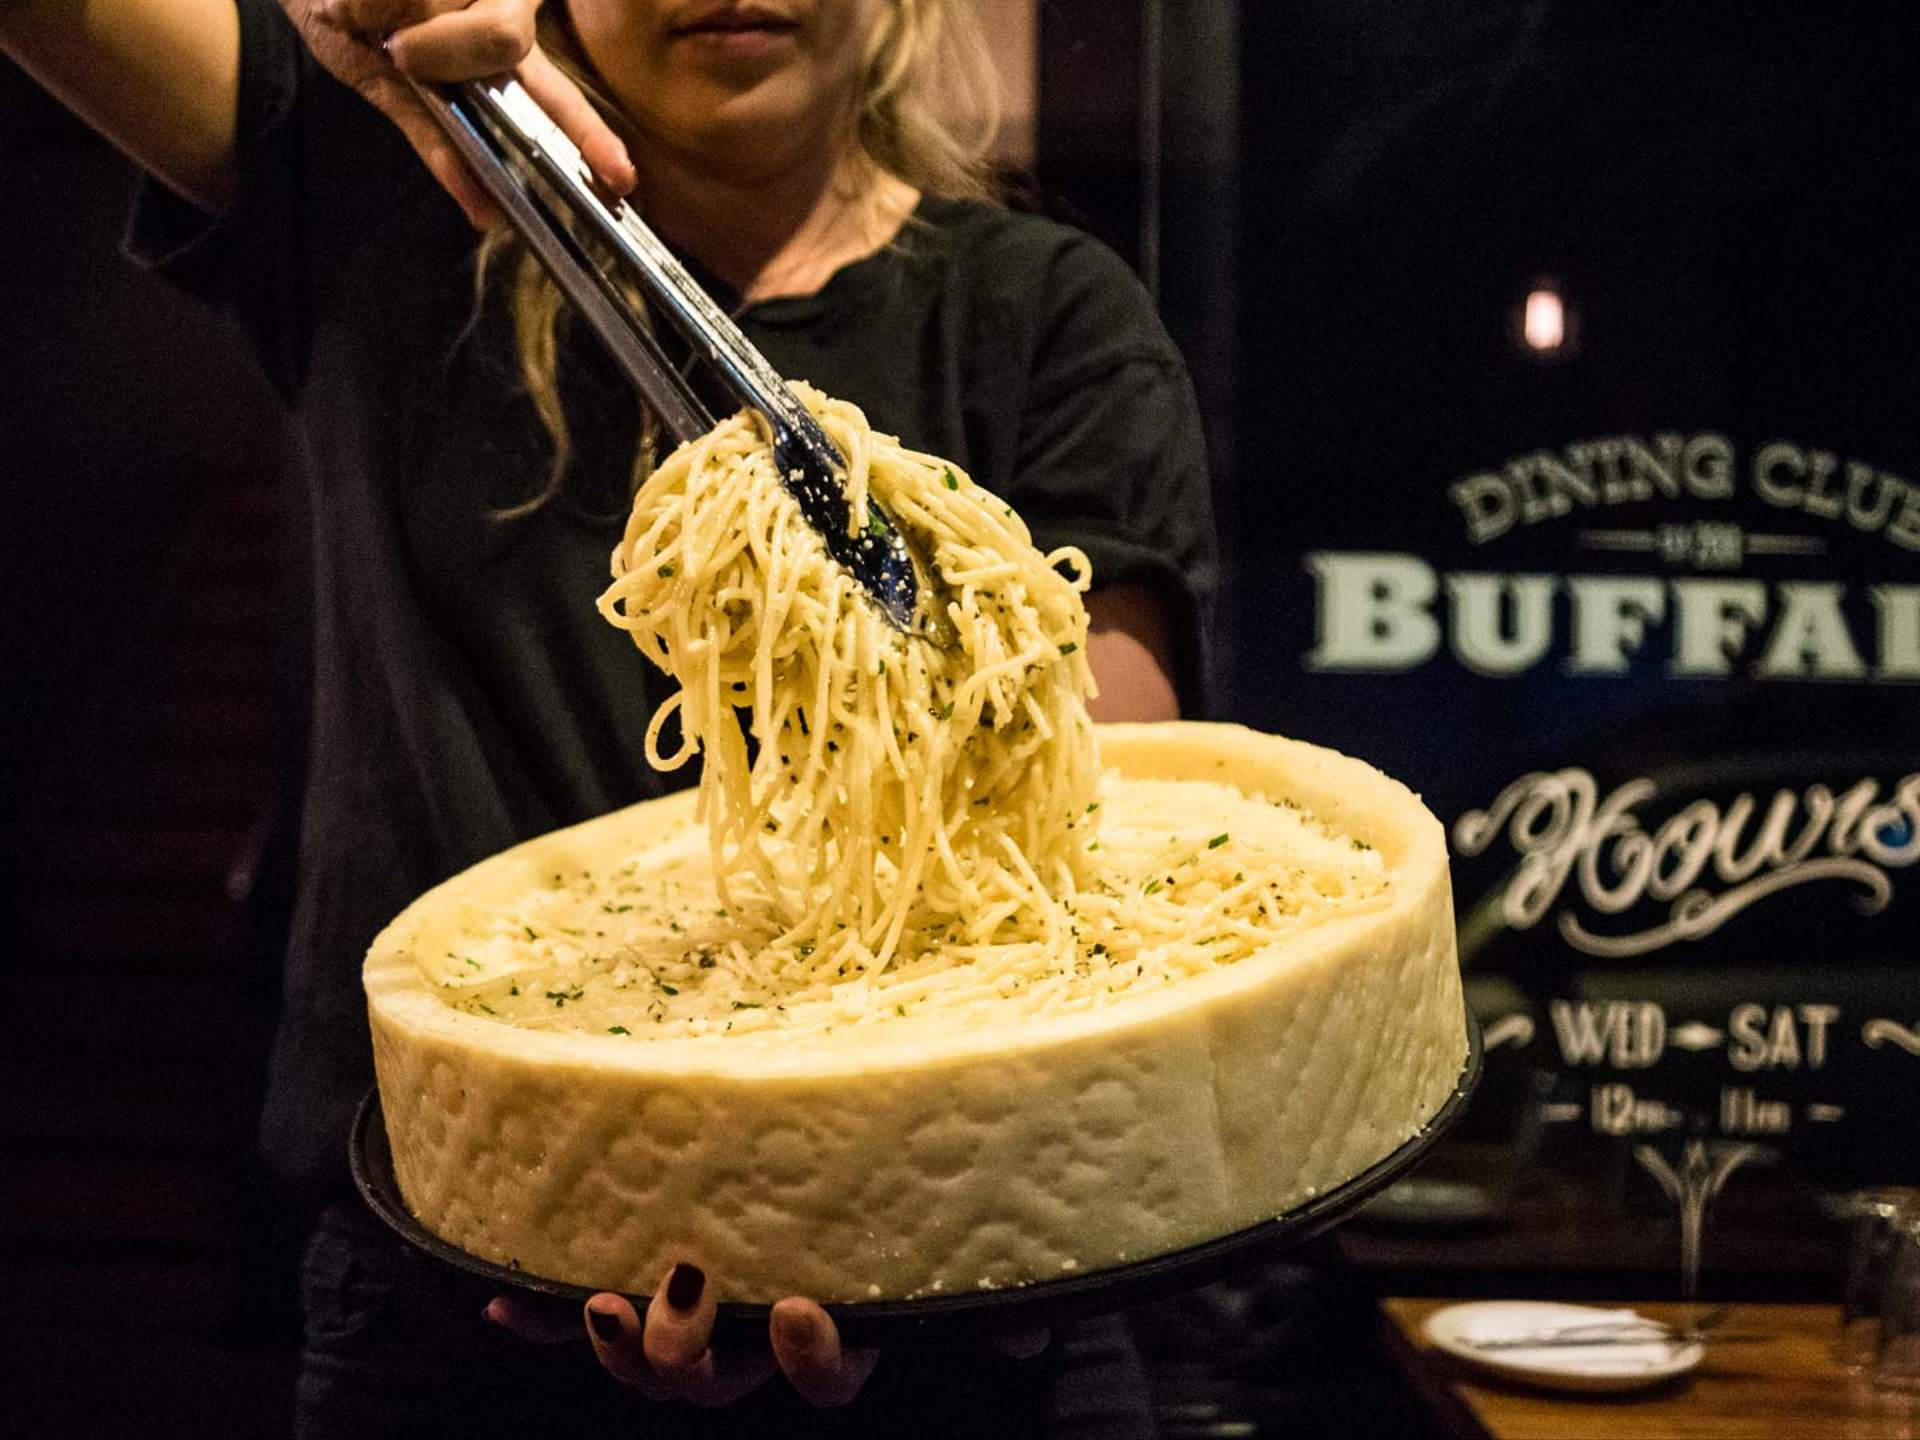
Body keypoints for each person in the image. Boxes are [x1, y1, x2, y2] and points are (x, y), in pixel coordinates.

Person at [1, 0, 1217, 1432]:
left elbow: (1089, 826)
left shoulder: (1049, 312)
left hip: (982, 1286)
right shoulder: (397, 199)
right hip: (449, 1299)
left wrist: (880, 1232)